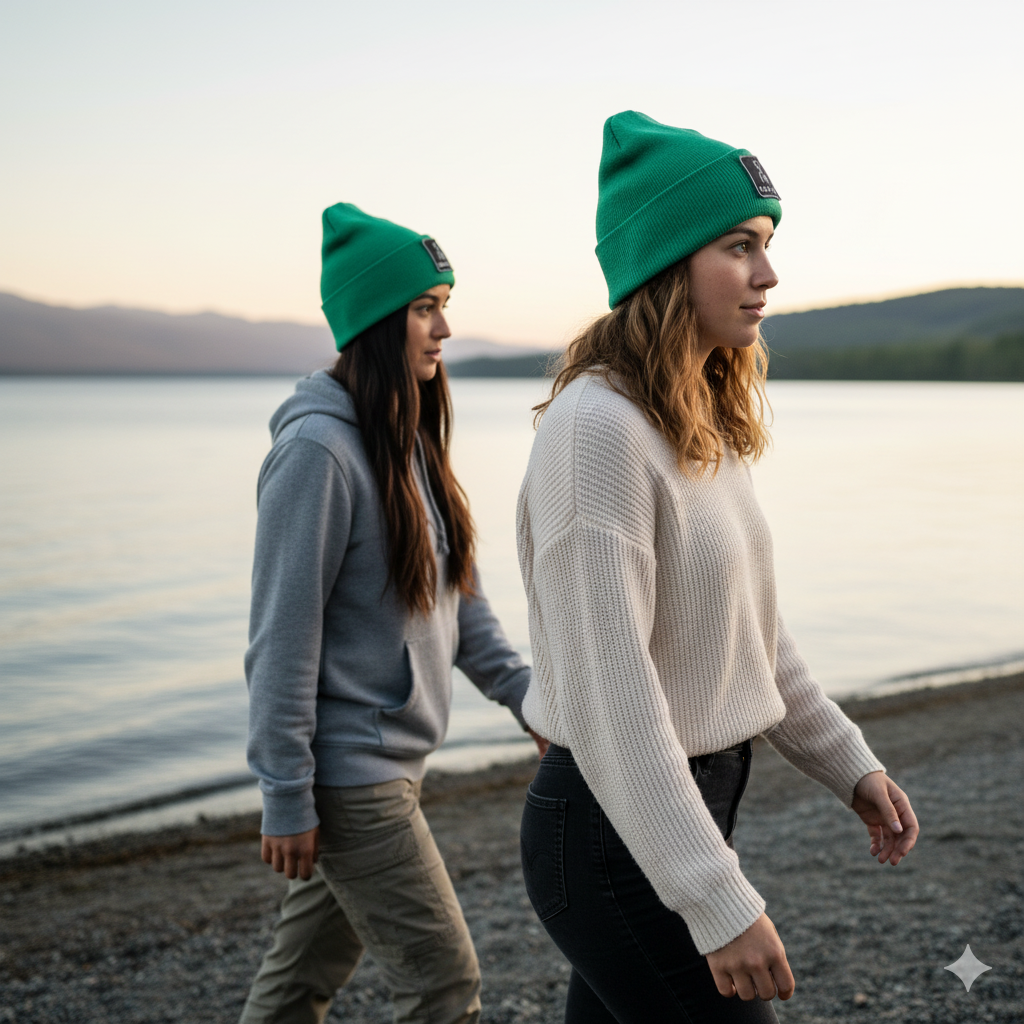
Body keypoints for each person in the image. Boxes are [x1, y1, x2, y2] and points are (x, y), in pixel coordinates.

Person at [517, 111, 920, 1023]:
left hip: (672, 818)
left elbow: (753, 641)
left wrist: (849, 765)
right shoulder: (597, 434)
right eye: (740, 246)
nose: (769, 275)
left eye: (768, 244)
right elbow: (615, 699)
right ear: (668, 263)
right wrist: (718, 901)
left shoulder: (692, 421)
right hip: (614, 842)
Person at [240, 202, 544, 1024]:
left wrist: (526, 696)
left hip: (388, 772)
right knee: (445, 987)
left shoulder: (404, 439)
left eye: (443, 303)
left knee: (297, 984)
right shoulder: (317, 453)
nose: (444, 328)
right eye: (423, 307)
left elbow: (458, 601)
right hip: (351, 781)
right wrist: (286, 795)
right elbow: (281, 637)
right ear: (377, 320)